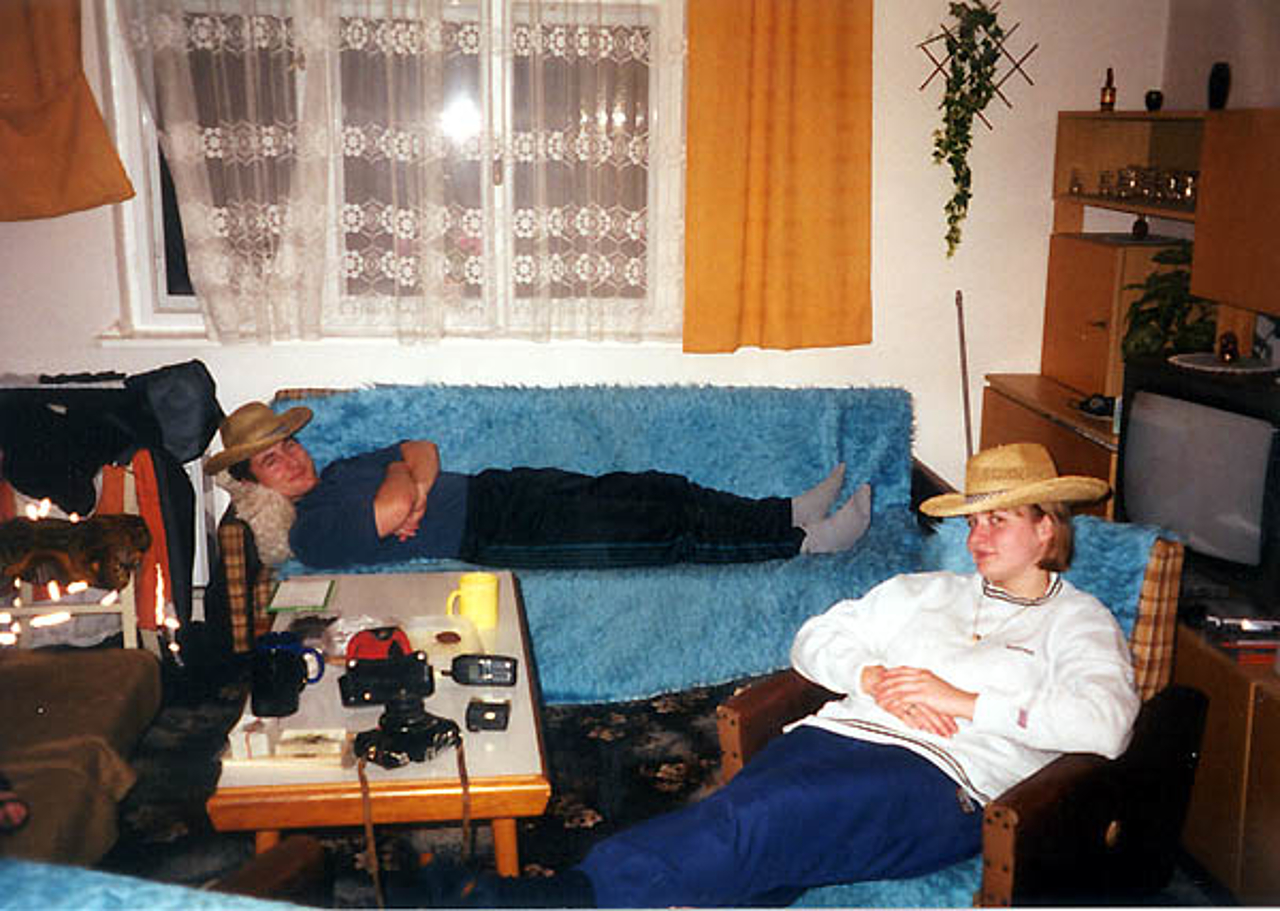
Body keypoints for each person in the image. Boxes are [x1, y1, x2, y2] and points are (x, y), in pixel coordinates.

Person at [393, 441, 1139, 908]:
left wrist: (965, 699)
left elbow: (1105, 726)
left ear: (1047, 526)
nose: (977, 537)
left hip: (944, 777)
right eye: (972, 520)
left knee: (761, 820)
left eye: (999, 520)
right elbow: (815, 640)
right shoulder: (925, 591)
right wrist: (872, 675)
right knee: (753, 842)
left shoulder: (1078, 622)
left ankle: (543, 900)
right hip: (840, 735)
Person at [204, 401, 873, 569]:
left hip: (501, 489)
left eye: (288, 444)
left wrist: (409, 481)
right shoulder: (312, 532)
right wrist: (404, 482)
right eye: (271, 461)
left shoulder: (342, 469)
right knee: (658, 530)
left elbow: (420, 450)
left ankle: (783, 510)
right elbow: (397, 495)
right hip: (499, 533)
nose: (291, 459)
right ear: (255, 483)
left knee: (656, 487)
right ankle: (803, 543)